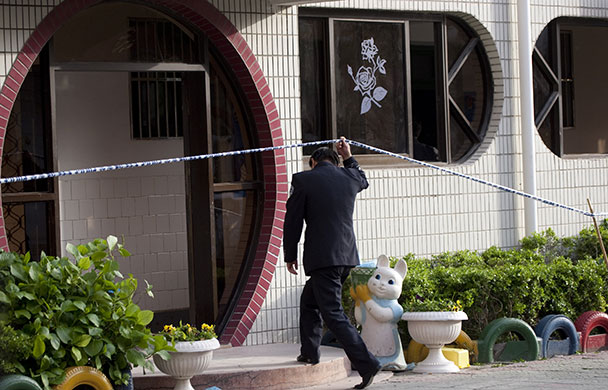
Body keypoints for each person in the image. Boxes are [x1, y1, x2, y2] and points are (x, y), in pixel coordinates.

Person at [284, 137, 382, 390]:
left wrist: (290, 254)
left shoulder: (303, 180)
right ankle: (310, 352)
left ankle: (367, 364)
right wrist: (349, 156)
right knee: (309, 301)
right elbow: (363, 179)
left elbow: (293, 220)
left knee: (333, 314)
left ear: (312, 162)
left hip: (323, 258)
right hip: (346, 257)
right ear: (336, 161)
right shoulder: (349, 177)